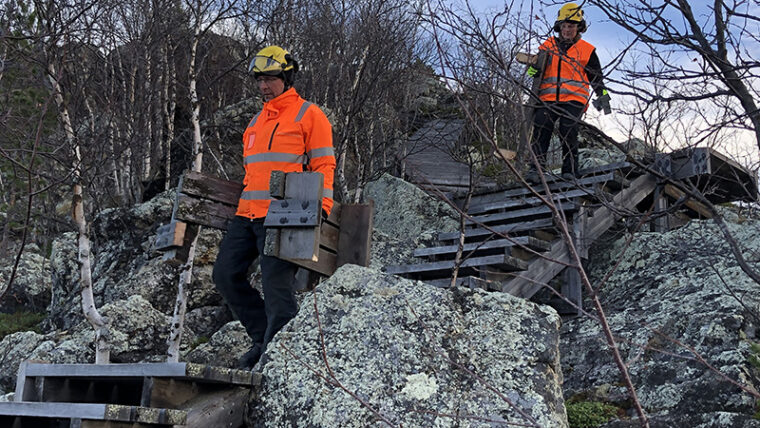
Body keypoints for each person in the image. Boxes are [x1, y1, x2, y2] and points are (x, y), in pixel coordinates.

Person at [212, 45, 336, 369]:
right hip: (246, 215)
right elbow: (253, 172)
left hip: (284, 215)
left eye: (270, 79)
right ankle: (262, 339)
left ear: (287, 77)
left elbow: (324, 164)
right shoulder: (254, 123)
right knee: (224, 275)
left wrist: (321, 206)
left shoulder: (310, 115)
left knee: (277, 291)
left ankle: (276, 360)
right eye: (259, 80)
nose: (264, 86)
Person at [527, 2, 610, 178]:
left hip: (574, 99)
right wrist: (531, 70)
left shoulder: (587, 50)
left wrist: (603, 97)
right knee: (541, 127)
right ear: (559, 27)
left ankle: (570, 170)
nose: (567, 30)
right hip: (547, 98)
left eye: (571, 26)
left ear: (578, 27)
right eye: (564, 26)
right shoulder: (547, 45)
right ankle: (536, 169)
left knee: (568, 129)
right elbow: (535, 70)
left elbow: (597, 77)